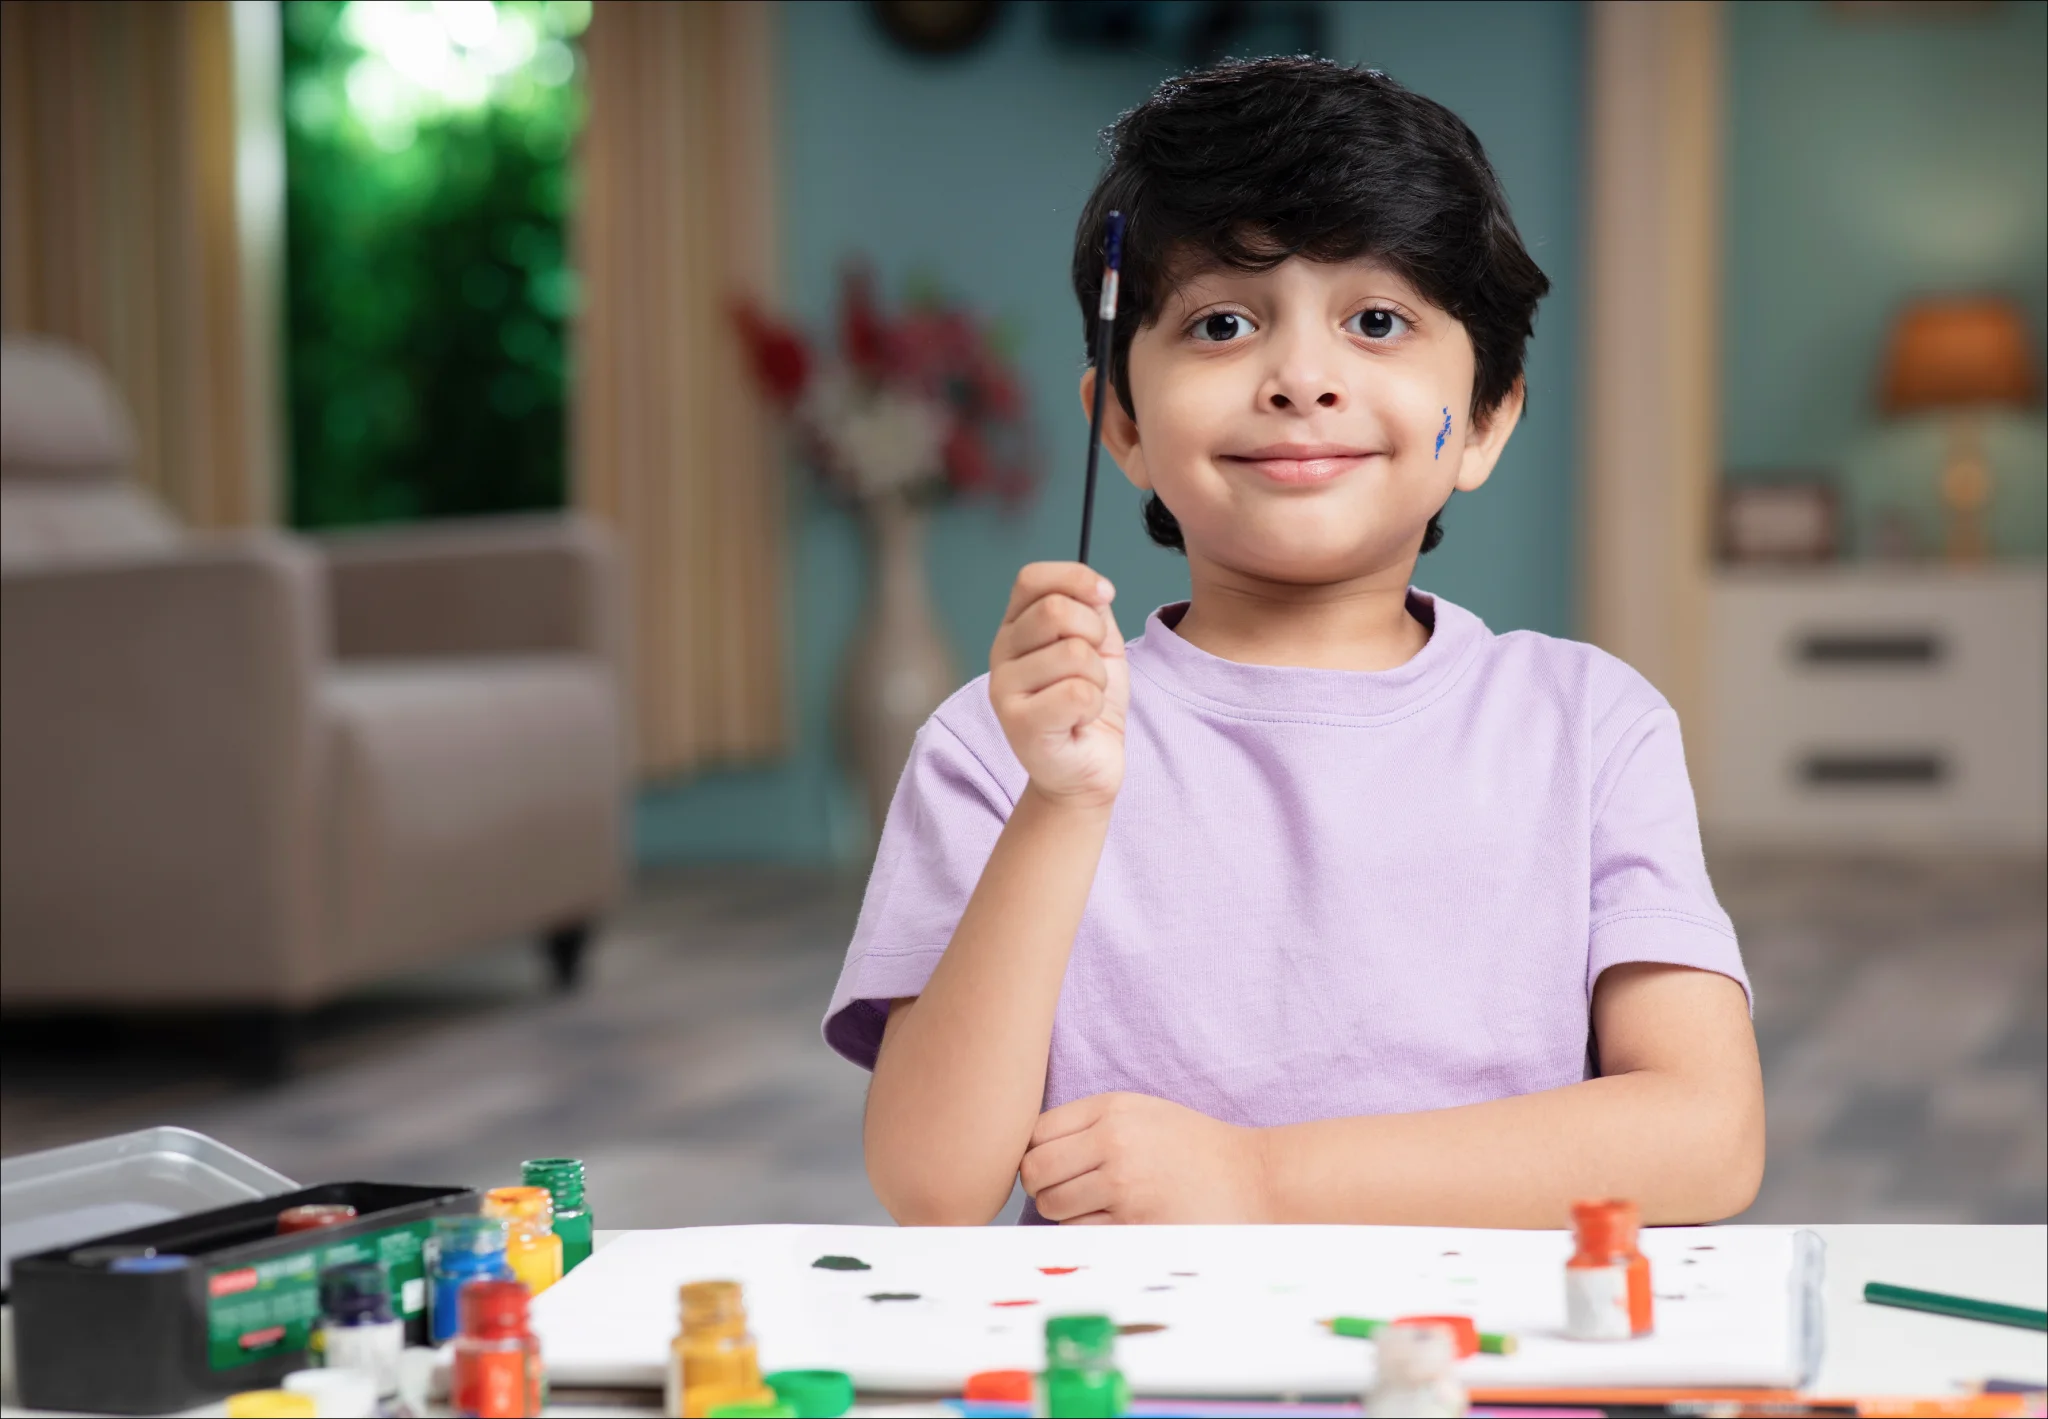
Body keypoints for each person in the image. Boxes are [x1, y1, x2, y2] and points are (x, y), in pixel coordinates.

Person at [824, 57, 1764, 1227]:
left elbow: (1705, 1136)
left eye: (1376, 321)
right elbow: (932, 1189)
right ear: (1120, 423)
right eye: (1221, 322)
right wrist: (1058, 804)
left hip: (1490, 1338)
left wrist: (1258, 1178)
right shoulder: (1001, 745)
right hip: (1133, 1336)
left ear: (1484, 419)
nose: (1301, 379)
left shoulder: (1587, 725)